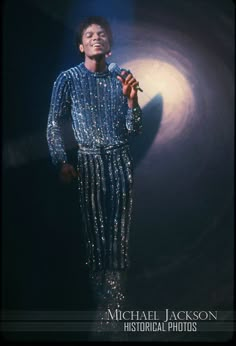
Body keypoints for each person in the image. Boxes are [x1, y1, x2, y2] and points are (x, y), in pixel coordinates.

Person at [46, 16, 142, 329]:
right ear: (80, 45)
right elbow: (53, 125)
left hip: (119, 162)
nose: (96, 38)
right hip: (87, 164)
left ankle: (115, 306)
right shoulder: (68, 79)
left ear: (110, 46)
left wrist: (132, 102)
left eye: (101, 34)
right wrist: (62, 161)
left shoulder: (121, 78)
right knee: (95, 236)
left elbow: (134, 130)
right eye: (89, 34)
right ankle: (100, 302)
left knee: (119, 237)